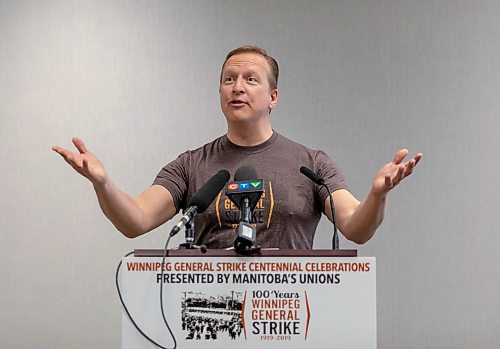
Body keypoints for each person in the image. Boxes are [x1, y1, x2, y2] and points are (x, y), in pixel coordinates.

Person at [52, 46, 422, 249]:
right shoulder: (192, 164)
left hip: (291, 318)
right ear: (219, 93)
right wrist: (102, 183)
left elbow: (355, 227)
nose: (237, 87)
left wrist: (377, 195)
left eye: (250, 79)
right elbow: (135, 220)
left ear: (273, 96)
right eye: (229, 79)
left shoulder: (311, 163)